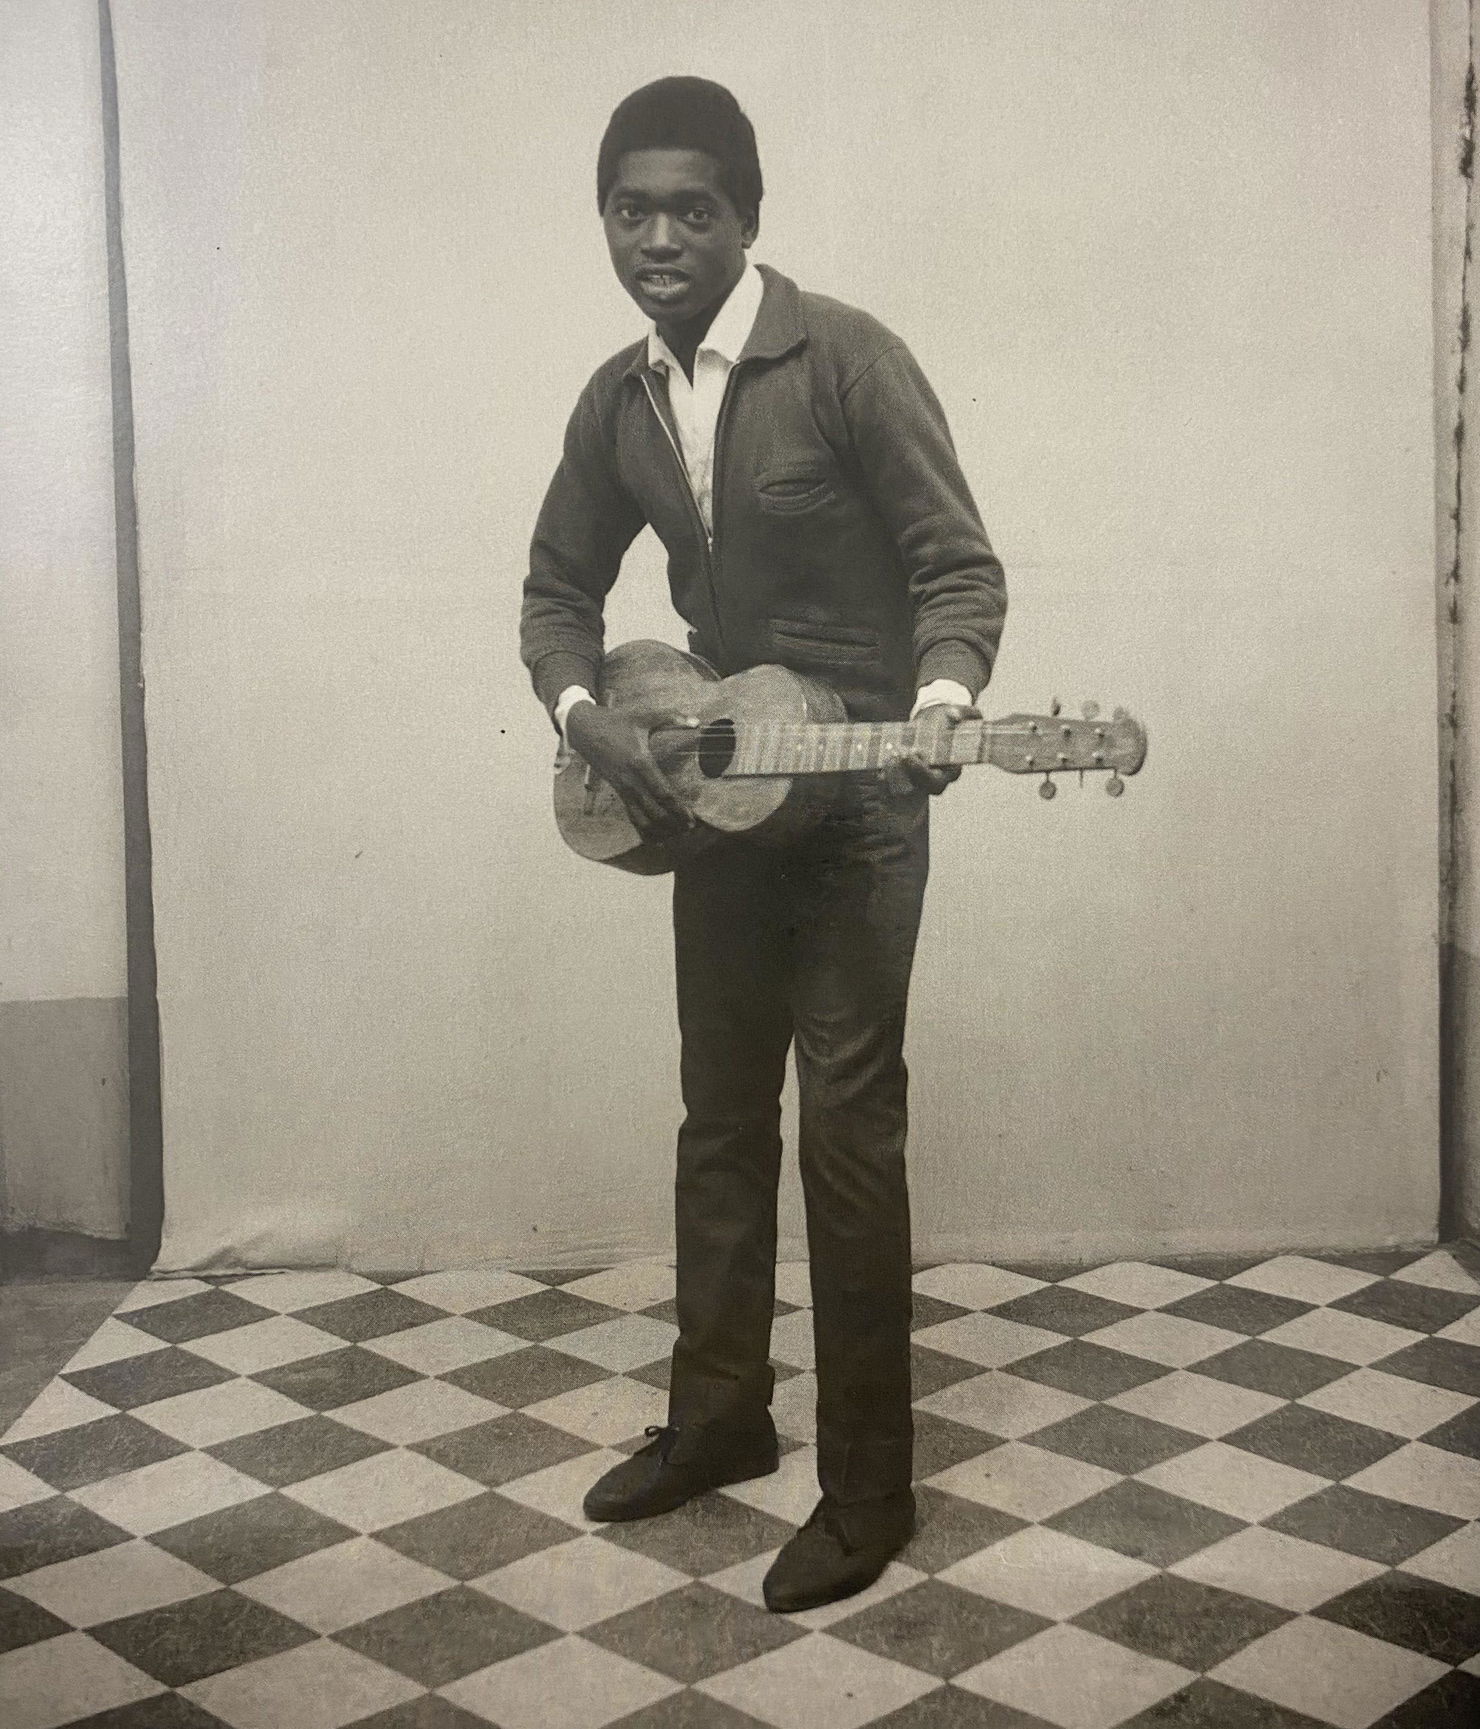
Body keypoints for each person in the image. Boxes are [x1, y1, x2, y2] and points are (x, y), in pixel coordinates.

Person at [519, 76, 1005, 1612]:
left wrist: (940, 701)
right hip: (714, 807)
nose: (659, 239)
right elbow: (554, 592)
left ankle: (869, 1488)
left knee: (846, 1144)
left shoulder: (848, 358)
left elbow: (959, 570)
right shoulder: (621, 400)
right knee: (718, 1120)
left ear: (748, 219)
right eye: (631, 210)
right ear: (605, 220)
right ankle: (720, 1419)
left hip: (858, 807)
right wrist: (589, 711)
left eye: (693, 210)